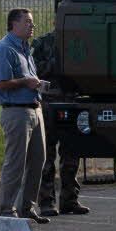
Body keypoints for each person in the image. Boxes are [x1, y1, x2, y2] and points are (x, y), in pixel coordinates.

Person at [0, 9, 49, 223]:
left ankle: (28, 207)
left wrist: (36, 84)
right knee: (15, 162)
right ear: (13, 24)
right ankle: (7, 210)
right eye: (27, 22)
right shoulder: (5, 49)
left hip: (34, 109)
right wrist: (26, 82)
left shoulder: (25, 49)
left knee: (37, 160)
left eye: (31, 22)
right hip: (16, 112)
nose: (32, 26)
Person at [33, 32, 89, 217]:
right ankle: (47, 201)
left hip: (72, 102)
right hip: (49, 103)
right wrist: (57, 65)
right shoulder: (42, 43)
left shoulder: (78, 42)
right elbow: (35, 71)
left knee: (72, 154)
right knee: (47, 155)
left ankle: (70, 200)